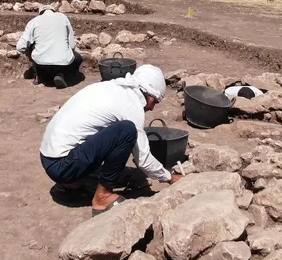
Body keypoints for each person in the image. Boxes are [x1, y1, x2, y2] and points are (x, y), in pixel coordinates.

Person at [39, 65, 183, 216]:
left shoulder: (110, 87)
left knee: (111, 131)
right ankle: (103, 197)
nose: (152, 108)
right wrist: (170, 178)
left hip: (48, 157)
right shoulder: (131, 106)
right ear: (151, 96)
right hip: (62, 166)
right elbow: (143, 160)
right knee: (126, 131)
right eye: (156, 102)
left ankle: (71, 185)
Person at [16, 5, 82, 89]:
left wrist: (29, 56)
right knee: (77, 58)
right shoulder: (63, 18)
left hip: (40, 62)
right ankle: (60, 74)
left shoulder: (34, 21)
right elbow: (72, 45)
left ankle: (38, 75)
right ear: (54, 11)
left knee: (32, 44)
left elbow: (20, 46)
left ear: (40, 13)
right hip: (63, 63)